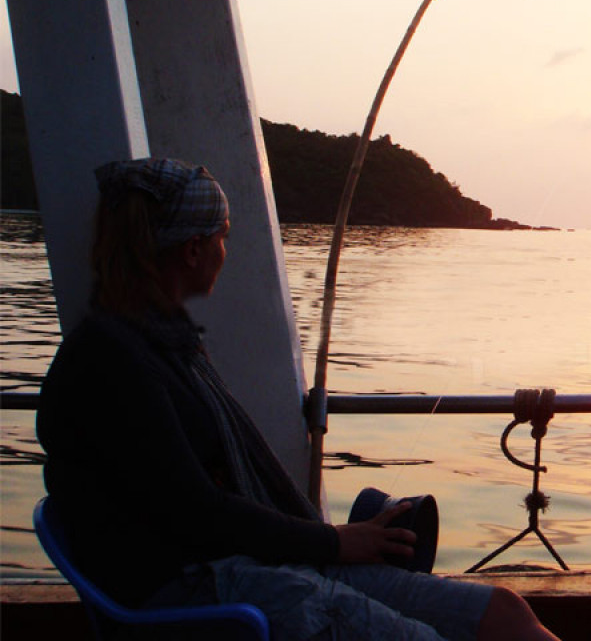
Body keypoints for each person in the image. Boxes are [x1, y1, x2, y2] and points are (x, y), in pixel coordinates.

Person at [36, 158, 559, 641]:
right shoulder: (111, 363)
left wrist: (332, 541)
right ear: (193, 250)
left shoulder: (167, 343)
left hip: (248, 560)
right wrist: (333, 543)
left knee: (503, 613)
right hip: (200, 590)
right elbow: (198, 514)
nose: (225, 249)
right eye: (222, 236)